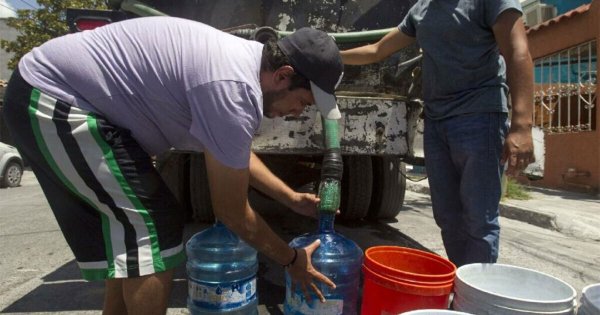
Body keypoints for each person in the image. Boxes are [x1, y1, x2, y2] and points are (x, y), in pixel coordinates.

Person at [3, 16, 344, 314]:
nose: (297, 114)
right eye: (302, 102)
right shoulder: (233, 88)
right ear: (283, 75)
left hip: (71, 101)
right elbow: (232, 212)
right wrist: (292, 260)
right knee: (154, 226)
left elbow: (231, 154)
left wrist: (291, 198)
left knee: (134, 237)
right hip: (55, 99)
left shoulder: (239, 67)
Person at [341, 0, 535, 267]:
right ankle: (462, 283)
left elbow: (517, 52)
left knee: (479, 219)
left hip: (480, 116)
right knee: (447, 216)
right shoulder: (422, 9)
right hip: (437, 121)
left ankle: (474, 299)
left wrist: (522, 125)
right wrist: (331, 55)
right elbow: (377, 50)